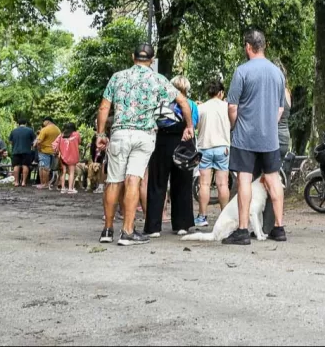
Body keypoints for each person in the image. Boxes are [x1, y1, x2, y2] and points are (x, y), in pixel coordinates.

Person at [96, 44, 194, 246]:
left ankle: (107, 230)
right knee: (134, 180)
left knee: (114, 181)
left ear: (133, 57)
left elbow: (104, 106)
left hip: (120, 133)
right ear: (152, 59)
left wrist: (100, 133)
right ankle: (128, 231)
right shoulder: (157, 79)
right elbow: (183, 102)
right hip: (143, 135)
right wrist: (189, 126)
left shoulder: (117, 77)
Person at [222, 30, 287, 246]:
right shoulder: (278, 74)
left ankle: (242, 230)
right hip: (270, 137)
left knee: (244, 179)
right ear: (264, 46)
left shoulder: (242, 71)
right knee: (273, 178)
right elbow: (280, 109)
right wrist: (269, 125)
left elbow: (232, 106)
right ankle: (279, 227)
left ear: (248, 47)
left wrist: (234, 125)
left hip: (245, 136)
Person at [144, 75, 199, 238]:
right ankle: (182, 224)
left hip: (161, 141)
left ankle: (153, 227)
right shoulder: (190, 104)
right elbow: (194, 123)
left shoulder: (159, 100)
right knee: (182, 182)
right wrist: (188, 129)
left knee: (157, 183)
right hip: (183, 142)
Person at [195, 79, 231, 227]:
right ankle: (224, 216)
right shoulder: (227, 107)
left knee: (204, 184)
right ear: (221, 93)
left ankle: (202, 216)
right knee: (223, 184)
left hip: (205, 147)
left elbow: (196, 125)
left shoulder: (201, 108)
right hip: (223, 148)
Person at [52, 123, 82, 195]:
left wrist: (57, 151)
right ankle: (70, 189)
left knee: (63, 172)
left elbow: (54, 144)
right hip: (73, 156)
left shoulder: (61, 135)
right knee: (71, 173)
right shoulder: (77, 134)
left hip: (63, 156)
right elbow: (79, 142)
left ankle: (62, 188)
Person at [33, 117, 61, 190]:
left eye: (44, 121)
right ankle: (48, 184)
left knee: (44, 168)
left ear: (47, 121)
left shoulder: (45, 129)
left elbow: (39, 141)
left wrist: (38, 148)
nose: (43, 123)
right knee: (52, 169)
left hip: (44, 151)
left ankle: (44, 184)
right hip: (54, 151)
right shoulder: (58, 129)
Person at [8, 119, 35, 187]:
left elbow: (10, 142)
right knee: (25, 165)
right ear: (25, 123)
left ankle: (16, 182)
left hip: (16, 151)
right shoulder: (30, 130)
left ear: (18, 124)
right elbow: (34, 141)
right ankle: (23, 182)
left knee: (16, 166)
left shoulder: (13, 131)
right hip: (27, 151)